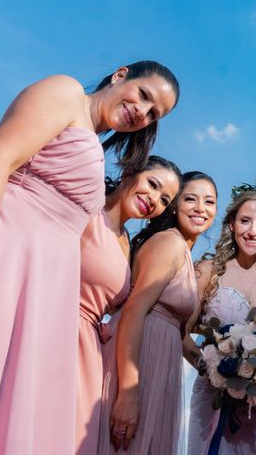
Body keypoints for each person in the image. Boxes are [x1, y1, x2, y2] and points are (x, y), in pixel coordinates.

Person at [0, 60, 179, 454]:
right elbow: (0, 157)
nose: (141, 113)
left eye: (153, 114)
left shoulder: (95, 148)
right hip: (8, 255)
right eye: (143, 96)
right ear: (120, 74)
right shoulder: (65, 92)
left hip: (45, 290)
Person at [98, 171, 217, 454]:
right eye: (191, 199)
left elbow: (180, 333)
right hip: (141, 356)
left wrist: (219, 373)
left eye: (209, 202)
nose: (201, 208)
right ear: (175, 205)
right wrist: (128, 393)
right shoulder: (170, 243)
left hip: (160, 358)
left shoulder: (182, 250)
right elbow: (134, 310)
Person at [76, 155, 182, 454]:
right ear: (131, 172)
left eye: (164, 199)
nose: (154, 200)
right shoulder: (88, 209)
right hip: (54, 331)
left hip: (90, 353)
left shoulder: (127, 243)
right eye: (152, 184)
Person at [184, 180, 256, 455]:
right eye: (245, 221)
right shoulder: (208, 271)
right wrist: (216, 373)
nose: (253, 231)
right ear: (231, 224)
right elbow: (182, 333)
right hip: (213, 400)